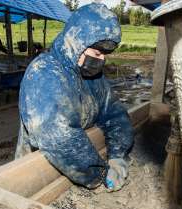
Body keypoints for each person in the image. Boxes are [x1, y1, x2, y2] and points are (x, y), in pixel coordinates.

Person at [15, 3, 134, 192]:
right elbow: (60, 136)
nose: (101, 60)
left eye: (105, 54)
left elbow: (113, 112)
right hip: (39, 175)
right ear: (76, 42)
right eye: (97, 53)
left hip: (80, 163)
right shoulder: (45, 73)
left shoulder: (93, 77)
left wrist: (117, 155)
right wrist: (99, 174)